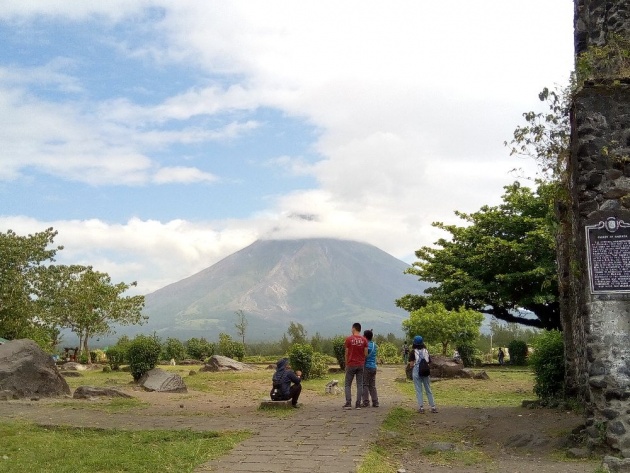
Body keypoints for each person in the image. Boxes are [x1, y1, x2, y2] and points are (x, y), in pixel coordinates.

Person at [408, 335, 437, 414]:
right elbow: (429, 361)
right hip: (425, 371)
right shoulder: (426, 351)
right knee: (428, 388)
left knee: (419, 390)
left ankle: (421, 407)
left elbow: (411, 364)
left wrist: (412, 367)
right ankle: (433, 407)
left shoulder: (413, 352)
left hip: (417, 371)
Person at [343, 322, 368, 409]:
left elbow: (346, 353)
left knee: (347, 384)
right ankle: (358, 404)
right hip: (360, 364)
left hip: (351, 364)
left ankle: (348, 403)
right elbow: (366, 353)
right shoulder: (364, 340)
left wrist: (346, 363)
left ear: (354, 328)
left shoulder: (349, 339)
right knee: (359, 384)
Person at [362, 329, 379, 407]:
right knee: (372, 385)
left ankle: (366, 402)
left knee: (365, 384)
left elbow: (364, 355)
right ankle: (375, 402)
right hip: (373, 367)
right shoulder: (374, 345)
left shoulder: (365, 345)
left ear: (365, 337)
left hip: (366, 367)